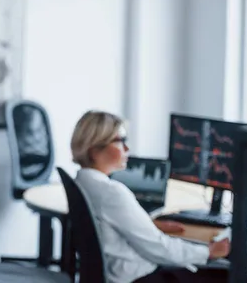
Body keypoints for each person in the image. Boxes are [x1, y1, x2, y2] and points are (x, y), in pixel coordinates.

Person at [70, 110, 231, 283]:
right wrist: (209, 251)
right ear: (95, 150)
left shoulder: (83, 182)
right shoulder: (112, 193)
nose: (127, 148)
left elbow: (110, 225)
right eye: (120, 141)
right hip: (141, 278)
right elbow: (159, 248)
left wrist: (146, 225)